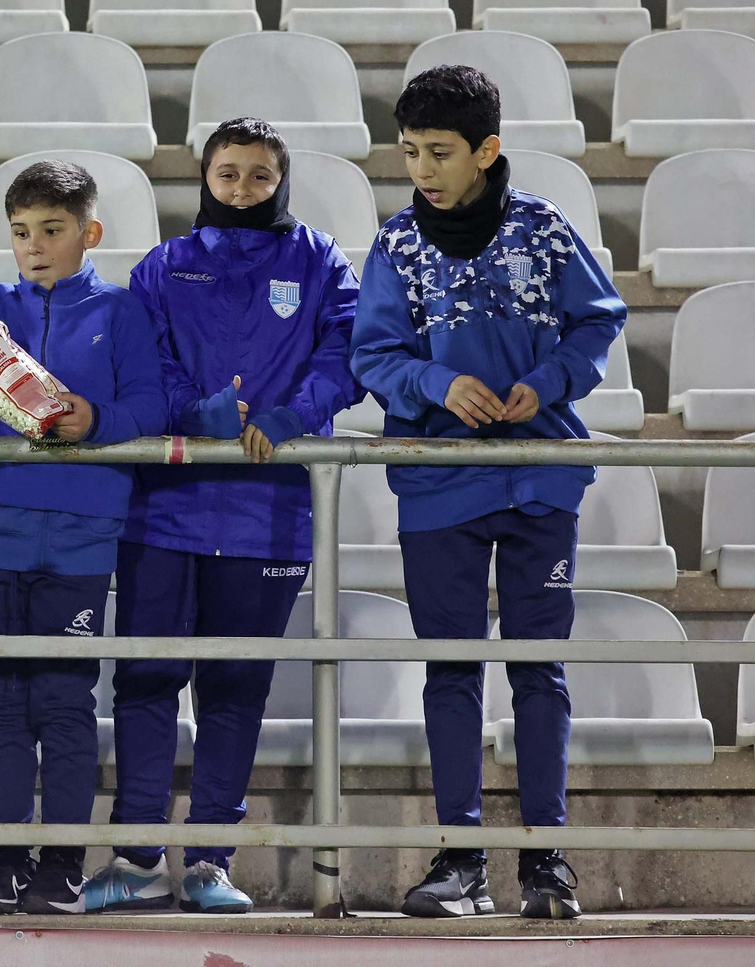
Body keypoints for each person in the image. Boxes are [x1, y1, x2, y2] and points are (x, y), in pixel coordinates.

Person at [350, 66, 625, 920]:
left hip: (541, 475)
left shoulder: (544, 229)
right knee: (453, 669)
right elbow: (372, 355)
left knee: (540, 671)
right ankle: (462, 858)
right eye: (409, 152)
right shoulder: (396, 242)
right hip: (439, 485)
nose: (422, 170)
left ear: (488, 151)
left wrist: (548, 382)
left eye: (439, 152)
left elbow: (600, 316)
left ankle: (546, 862)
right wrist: (436, 382)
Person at [86, 118, 362, 915]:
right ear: (204, 177)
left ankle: (210, 860)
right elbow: (137, 367)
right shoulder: (165, 266)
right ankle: (137, 857)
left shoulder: (318, 260)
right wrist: (192, 412)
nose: (242, 189)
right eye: (227, 174)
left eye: (259, 176)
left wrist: (294, 417)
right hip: (164, 509)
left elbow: (343, 357)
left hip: (269, 510)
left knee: (234, 690)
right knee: (144, 681)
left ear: (282, 180)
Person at [0, 160, 166, 915]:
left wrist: (99, 421)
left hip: (84, 534)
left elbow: (149, 403)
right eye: (21, 233)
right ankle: (6, 858)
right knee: (4, 704)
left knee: (66, 701)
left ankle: (62, 863)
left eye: (52, 231)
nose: (36, 246)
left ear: (90, 233)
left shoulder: (120, 313)